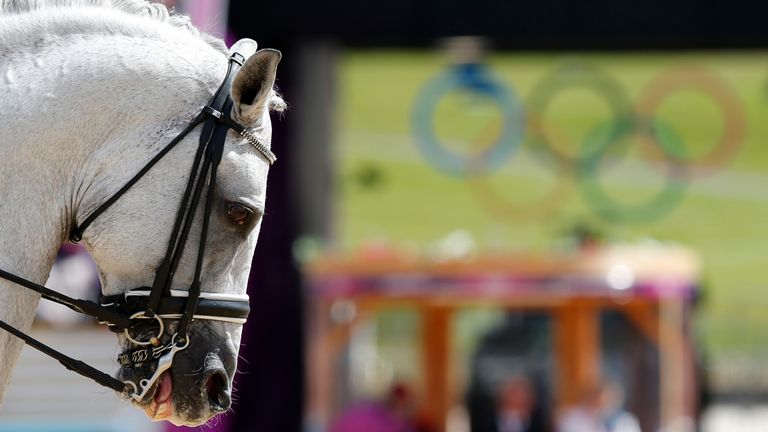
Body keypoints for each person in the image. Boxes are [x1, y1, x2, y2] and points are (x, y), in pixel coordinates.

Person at [557, 381, 640, 432]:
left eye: (610, 400)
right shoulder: (572, 418)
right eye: (599, 402)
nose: (604, 406)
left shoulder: (625, 421)